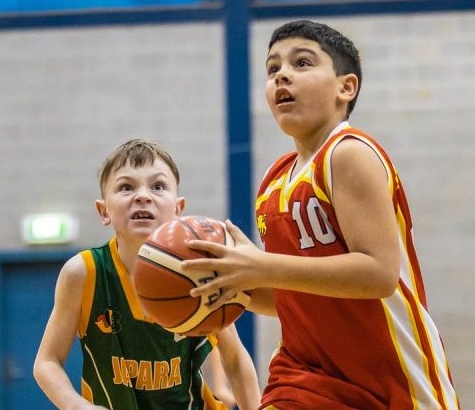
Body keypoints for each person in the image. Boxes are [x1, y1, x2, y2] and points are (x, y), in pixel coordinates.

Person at [183, 20, 460, 409]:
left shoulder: (349, 153)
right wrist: (233, 287)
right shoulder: (274, 180)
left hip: (389, 380)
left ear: (346, 88)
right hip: (304, 378)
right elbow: (294, 298)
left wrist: (260, 266)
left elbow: (379, 273)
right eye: (273, 68)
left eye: (302, 63)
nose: (282, 75)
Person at [33, 138, 260, 410]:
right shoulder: (83, 273)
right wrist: (75, 405)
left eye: (158, 186)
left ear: (178, 209)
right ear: (104, 211)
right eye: (126, 187)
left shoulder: (199, 268)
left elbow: (235, 360)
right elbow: (46, 362)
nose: (143, 196)